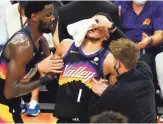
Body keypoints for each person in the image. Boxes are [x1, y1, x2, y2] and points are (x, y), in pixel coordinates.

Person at [51, 12, 124, 123]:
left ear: (107, 35)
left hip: (89, 119)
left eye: (99, 24)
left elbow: (112, 94)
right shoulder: (65, 45)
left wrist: (106, 91)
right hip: (63, 116)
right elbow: (51, 73)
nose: (94, 26)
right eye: (93, 22)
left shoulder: (109, 60)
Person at [0, 1, 63, 123]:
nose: (53, 18)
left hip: (12, 104)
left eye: (53, 14)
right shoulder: (22, 45)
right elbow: (10, 91)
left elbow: (50, 77)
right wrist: (39, 72)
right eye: (48, 15)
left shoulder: (42, 42)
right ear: (34, 17)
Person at [89, 38, 157, 123]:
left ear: (117, 64)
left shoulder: (113, 92)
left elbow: (93, 115)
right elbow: (133, 57)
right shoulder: (145, 70)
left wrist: (97, 94)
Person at [114, 0, 163, 90]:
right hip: (123, 49)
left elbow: (160, 35)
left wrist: (149, 40)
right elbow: (112, 28)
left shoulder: (158, 4)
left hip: (148, 50)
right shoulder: (120, 3)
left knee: (144, 64)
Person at [58, 1, 126, 49]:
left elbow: (121, 44)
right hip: (76, 62)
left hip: (105, 60)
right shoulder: (64, 11)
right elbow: (63, 43)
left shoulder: (111, 9)